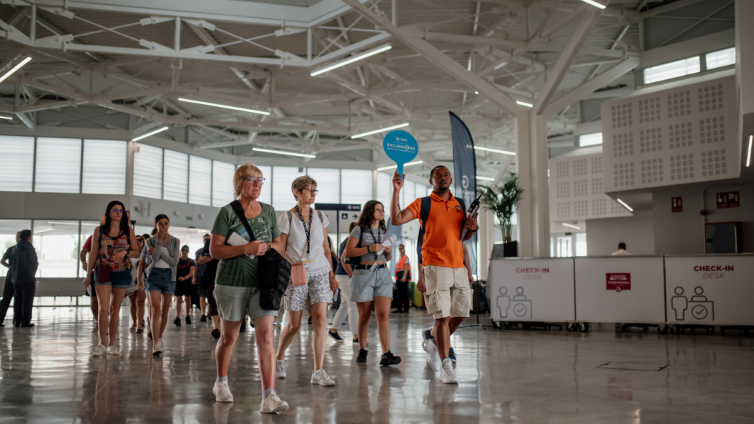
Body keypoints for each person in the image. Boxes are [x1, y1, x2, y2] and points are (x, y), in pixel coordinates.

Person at [210, 162, 288, 414]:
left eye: (260, 180)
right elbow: (215, 250)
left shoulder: (268, 211)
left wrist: (266, 248)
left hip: (263, 284)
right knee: (229, 336)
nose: (257, 184)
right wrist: (246, 248)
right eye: (252, 180)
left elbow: (280, 245)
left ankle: (269, 396)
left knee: (265, 336)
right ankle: (221, 382)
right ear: (239, 183)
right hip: (231, 282)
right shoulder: (227, 213)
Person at [390, 166, 479, 384]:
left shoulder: (460, 204)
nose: (443, 178)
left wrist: (473, 226)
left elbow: (463, 236)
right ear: (431, 180)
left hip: (459, 267)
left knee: (460, 314)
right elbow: (397, 219)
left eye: (446, 174)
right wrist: (396, 190)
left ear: (451, 178)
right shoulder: (423, 203)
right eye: (438, 175)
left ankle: (431, 337)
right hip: (435, 266)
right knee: (442, 317)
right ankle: (445, 364)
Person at [275, 176, 339, 386]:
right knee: (294, 325)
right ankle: (279, 357)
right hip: (297, 273)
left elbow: (327, 249)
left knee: (320, 320)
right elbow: (282, 250)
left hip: (320, 270)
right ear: (296, 191)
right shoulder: (287, 218)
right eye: (309, 190)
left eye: (315, 190)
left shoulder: (320, 216)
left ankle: (318, 371)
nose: (312, 193)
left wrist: (331, 275)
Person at [345, 200, 401, 366]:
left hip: (383, 273)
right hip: (364, 273)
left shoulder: (384, 231)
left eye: (382, 209)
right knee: (365, 315)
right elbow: (349, 251)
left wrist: (389, 252)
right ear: (370, 211)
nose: (381, 212)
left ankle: (386, 353)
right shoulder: (359, 229)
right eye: (377, 209)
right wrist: (370, 249)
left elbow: (387, 257)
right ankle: (363, 349)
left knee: (383, 314)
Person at [83, 201, 140, 355]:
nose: (118, 213)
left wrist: (126, 253)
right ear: (108, 212)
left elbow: (136, 252)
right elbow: (93, 252)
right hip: (102, 271)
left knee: (115, 309)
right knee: (103, 308)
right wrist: (88, 274)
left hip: (122, 272)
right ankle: (101, 343)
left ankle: (112, 344)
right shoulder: (99, 230)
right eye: (115, 210)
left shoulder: (128, 231)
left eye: (120, 210)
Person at [140, 214, 180, 356]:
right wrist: (158, 240)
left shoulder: (175, 241)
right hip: (154, 276)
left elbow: (175, 261)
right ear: (155, 226)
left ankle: (160, 337)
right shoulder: (150, 241)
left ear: (169, 225)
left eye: (165, 223)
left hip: (169, 276)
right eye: (160, 224)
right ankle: (156, 343)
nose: (163, 226)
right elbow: (154, 258)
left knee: (164, 310)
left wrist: (161, 255)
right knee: (156, 309)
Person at [328, 222, 359, 344]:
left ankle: (333, 330)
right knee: (353, 305)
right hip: (345, 275)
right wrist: (352, 275)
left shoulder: (347, 240)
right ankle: (356, 336)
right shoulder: (349, 241)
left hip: (343, 275)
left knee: (345, 305)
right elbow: (342, 259)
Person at [12, 229, 38, 328]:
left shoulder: (15, 248)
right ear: (29, 237)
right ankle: (25, 321)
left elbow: (13, 263)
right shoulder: (29, 247)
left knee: (17, 300)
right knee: (27, 300)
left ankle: (16, 321)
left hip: (16, 278)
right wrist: (32, 273)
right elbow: (34, 262)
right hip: (28, 278)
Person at [128, 235, 147, 333]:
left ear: (143, 242)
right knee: (132, 302)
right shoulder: (129, 253)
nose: (137, 242)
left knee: (140, 302)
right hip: (131, 280)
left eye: (140, 240)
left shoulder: (145, 254)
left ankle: (140, 324)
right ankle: (134, 322)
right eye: (135, 240)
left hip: (142, 279)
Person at [0, 232, 19, 327]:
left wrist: (10, 267)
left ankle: (0, 319)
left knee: (6, 297)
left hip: (11, 273)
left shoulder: (11, 249)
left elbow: (2, 261)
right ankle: (16, 320)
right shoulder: (23, 249)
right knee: (18, 298)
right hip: (18, 274)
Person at [79, 235, 98, 332]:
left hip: (112, 272)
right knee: (94, 300)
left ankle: (106, 320)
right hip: (94, 272)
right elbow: (83, 253)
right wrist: (84, 262)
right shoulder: (93, 237)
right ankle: (98, 320)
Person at [174, 245, 196, 327]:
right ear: (181, 251)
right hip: (178, 282)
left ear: (188, 251)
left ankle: (187, 315)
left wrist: (185, 278)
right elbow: (175, 270)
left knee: (188, 299)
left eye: (186, 250)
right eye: (183, 250)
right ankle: (178, 317)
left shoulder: (191, 261)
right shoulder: (177, 260)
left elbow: (191, 272)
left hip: (187, 282)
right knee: (179, 299)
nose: (184, 251)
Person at [195, 234, 212, 322]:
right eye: (205, 239)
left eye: (208, 239)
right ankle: (203, 313)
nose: (207, 241)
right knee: (202, 295)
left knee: (210, 295)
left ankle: (210, 312)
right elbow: (197, 263)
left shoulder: (213, 249)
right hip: (201, 275)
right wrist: (194, 277)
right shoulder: (199, 252)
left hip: (211, 275)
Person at [393, 244, 412, 313]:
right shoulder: (400, 257)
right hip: (399, 276)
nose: (400, 250)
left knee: (404, 294)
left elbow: (406, 267)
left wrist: (404, 277)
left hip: (403, 276)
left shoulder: (405, 257)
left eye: (401, 248)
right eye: (399, 248)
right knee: (399, 293)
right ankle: (399, 308)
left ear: (404, 249)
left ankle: (406, 309)